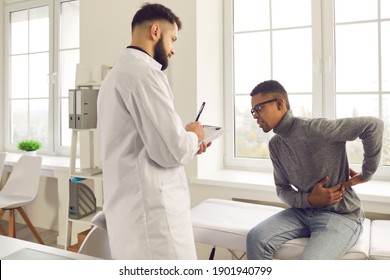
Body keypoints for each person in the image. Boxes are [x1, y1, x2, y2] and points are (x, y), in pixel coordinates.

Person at [97, 3, 210, 260]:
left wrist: (188, 142)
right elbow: (172, 151)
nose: (173, 49)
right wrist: (194, 135)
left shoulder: (114, 77)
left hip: (130, 211)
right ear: (155, 31)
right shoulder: (145, 74)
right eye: (172, 39)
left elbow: (143, 142)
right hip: (154, 218)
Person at [246, 80, 384, 259]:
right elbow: (282, 189)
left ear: (280, 103)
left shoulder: (315, 129)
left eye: (259, 108)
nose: (255, 116)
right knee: (255, 238)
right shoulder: (275, 145)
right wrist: (310, 200)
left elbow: (373, 126)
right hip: (302, 212)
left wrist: (366, 174)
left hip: (341, 215)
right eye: (253, 111)